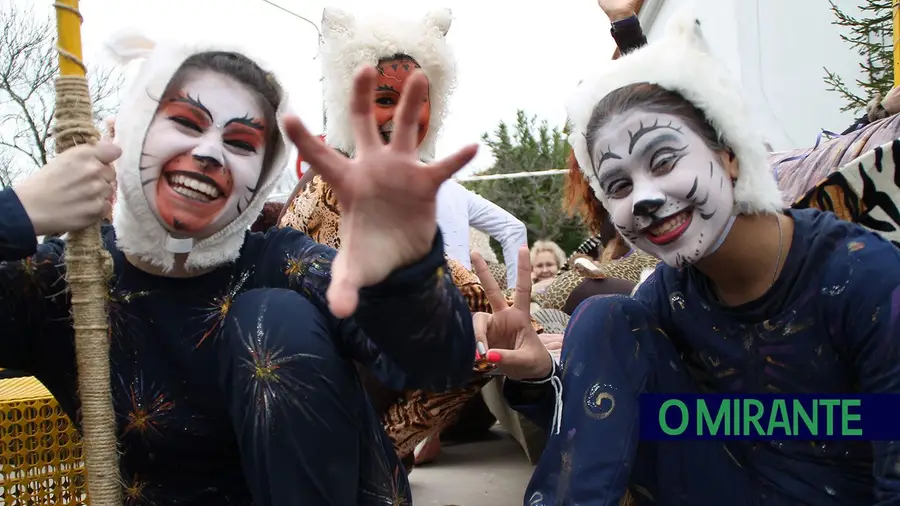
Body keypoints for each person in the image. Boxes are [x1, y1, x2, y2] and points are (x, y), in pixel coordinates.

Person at [0, 33, 479, 505]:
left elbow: (436, 361)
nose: (210, 154)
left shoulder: (281, 262)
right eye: (187, 123)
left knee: (272, 317)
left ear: (263, 173)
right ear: (131, 132)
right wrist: (17, 213)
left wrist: (407, 270)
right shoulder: (70, 279)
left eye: (241, 141)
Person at [474, 11, 900, 506]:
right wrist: (539, 376)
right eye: (619, 186)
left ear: (729, 154)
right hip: (721, 484)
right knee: (604, 318)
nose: (645, 200)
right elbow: (603, 429)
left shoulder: (864, 278)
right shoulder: (665, 297)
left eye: (664, 160)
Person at [277, 8, 497, 471]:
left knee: (490, 330)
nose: (401, 117)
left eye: (417, 100)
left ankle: (384, 450)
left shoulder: (408, 189)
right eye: (384, 97)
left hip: (376, 370)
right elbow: (285, 279)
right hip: (314, 365)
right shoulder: (326, 183)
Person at [437, 179, 527, 288]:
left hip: (437, 294)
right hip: (463, 294)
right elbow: (514, 230)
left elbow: (514, 230)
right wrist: (518, 296)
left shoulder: (450, 189)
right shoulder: (451, 189)